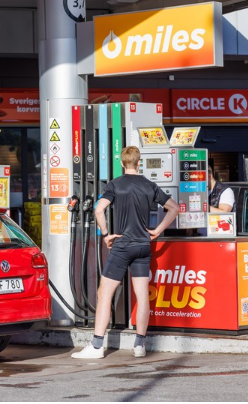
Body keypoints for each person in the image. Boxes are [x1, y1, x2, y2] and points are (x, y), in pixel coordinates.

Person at [72, 146, 179, 359]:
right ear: (139, 163)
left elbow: (98, 209)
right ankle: (140, 345)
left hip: (122, 245)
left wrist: (105, 234)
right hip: (142, 245)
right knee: (142, 295)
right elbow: (175, 208)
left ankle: (96, 346)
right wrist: (157, 230)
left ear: (122, 163)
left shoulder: (115, 185)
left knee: (105, 293)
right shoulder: (150, 185)